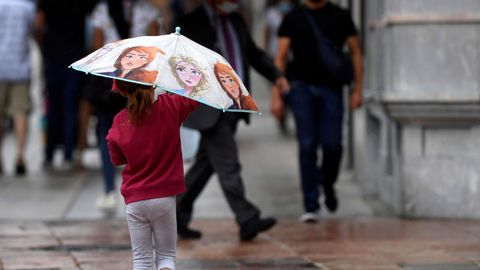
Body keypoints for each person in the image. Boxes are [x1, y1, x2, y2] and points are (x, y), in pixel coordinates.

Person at [175, 0, 289, 241]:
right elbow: (178, 67)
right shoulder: (189, 24)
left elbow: (254, 54)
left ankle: (175, 214)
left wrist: (277, 76)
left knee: (206, 164)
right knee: (228, 163)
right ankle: (247, 218)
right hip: (209, 106)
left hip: (234, 105)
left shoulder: (236, 21)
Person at [272, 0, 363, 222]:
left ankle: (328, 183)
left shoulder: (341, 16)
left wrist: (357, 90)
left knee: (333, 144)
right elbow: (281, 58)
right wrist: (277, 96)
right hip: (300, 88)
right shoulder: (292, 18)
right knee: (307, 144)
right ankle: (310, 204)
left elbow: (356, 53)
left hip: (332, 89)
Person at [107, 80, 198, 270]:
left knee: (141, 260)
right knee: (166, 257)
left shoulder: (119, 121)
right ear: (153, 85)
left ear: (124, 92)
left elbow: (116, 159)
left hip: (135, 200)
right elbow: (193, 97)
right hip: (165, 198)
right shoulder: (170, 107)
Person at [35, 0, 98, 172]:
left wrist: (44, 46)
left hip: (53, 57)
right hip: (74, 57)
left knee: (52, 107)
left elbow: (39, 25)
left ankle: (48, 154)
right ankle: (68, 155)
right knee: (71, 108)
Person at [0, 0, 36, 175]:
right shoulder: (27, 7)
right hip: (20, 67)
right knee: (20, 112)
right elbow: (35, 32)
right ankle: (20, 156)